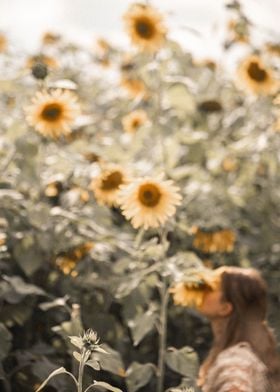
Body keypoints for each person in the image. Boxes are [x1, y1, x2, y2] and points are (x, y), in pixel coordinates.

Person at [195, 266, 280, 392]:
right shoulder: (246, 354)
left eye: (211, 288)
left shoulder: (235, 360)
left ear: (225, 308)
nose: (202, 291)